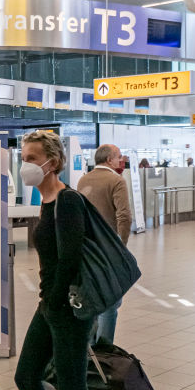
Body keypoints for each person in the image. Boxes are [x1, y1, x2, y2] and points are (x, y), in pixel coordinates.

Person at [12, 130, 123, 390]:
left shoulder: (68, 201)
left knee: (74, 389)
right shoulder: (45, 203)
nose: (25, 165)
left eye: (31, 158)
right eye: (23, 157)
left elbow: (71, 259)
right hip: (52, 306)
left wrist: (56, 305)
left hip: (68, 309)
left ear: (52, 163)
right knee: (27, 376)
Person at [77, 144, 131, 345]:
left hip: (86, 246)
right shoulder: (116, 181)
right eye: (118, 157)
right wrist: (121, 246)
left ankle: (89, 348)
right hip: (107, 247)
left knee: (91, 296)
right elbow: (124, 216)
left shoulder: (83, 179)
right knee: (111, 300)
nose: (120, 161)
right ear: (109, 159)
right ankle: (105, 349)